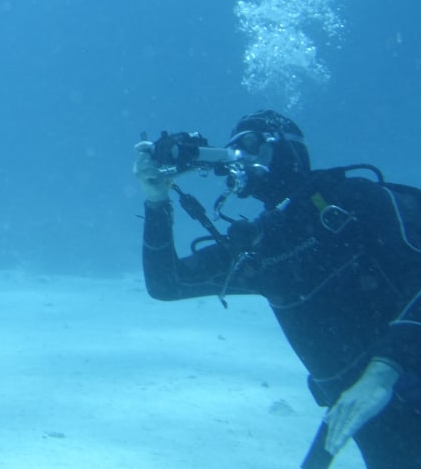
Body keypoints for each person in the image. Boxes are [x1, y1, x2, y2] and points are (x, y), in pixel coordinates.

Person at [134, 109, 421, 468]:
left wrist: (382, 373)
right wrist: (156, 200)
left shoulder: (355, 201)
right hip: (362, 417)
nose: (240, 158)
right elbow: (166, 284)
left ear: (287, 149)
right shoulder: (260, 249)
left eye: (251, 145)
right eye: (233, 150)